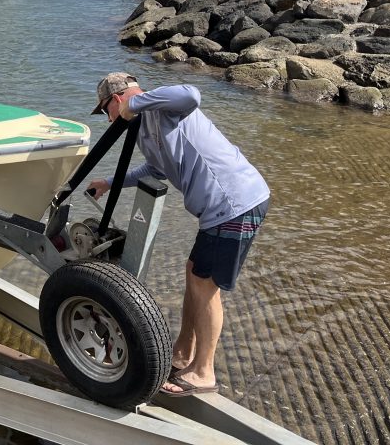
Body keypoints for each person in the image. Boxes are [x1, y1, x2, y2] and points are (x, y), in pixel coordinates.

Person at [88, 72, 270, 397]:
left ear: (116, 100)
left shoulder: (163, 107)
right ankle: (183, 353)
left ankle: (204, 372)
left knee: (205, 286)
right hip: (218, 211)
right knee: (194, 274)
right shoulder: (144, 130)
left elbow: (191, 94)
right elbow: (155, 170)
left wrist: (135, 103)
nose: (109, 120)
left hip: (235, 202)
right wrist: (110, 183)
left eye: (106, 111)